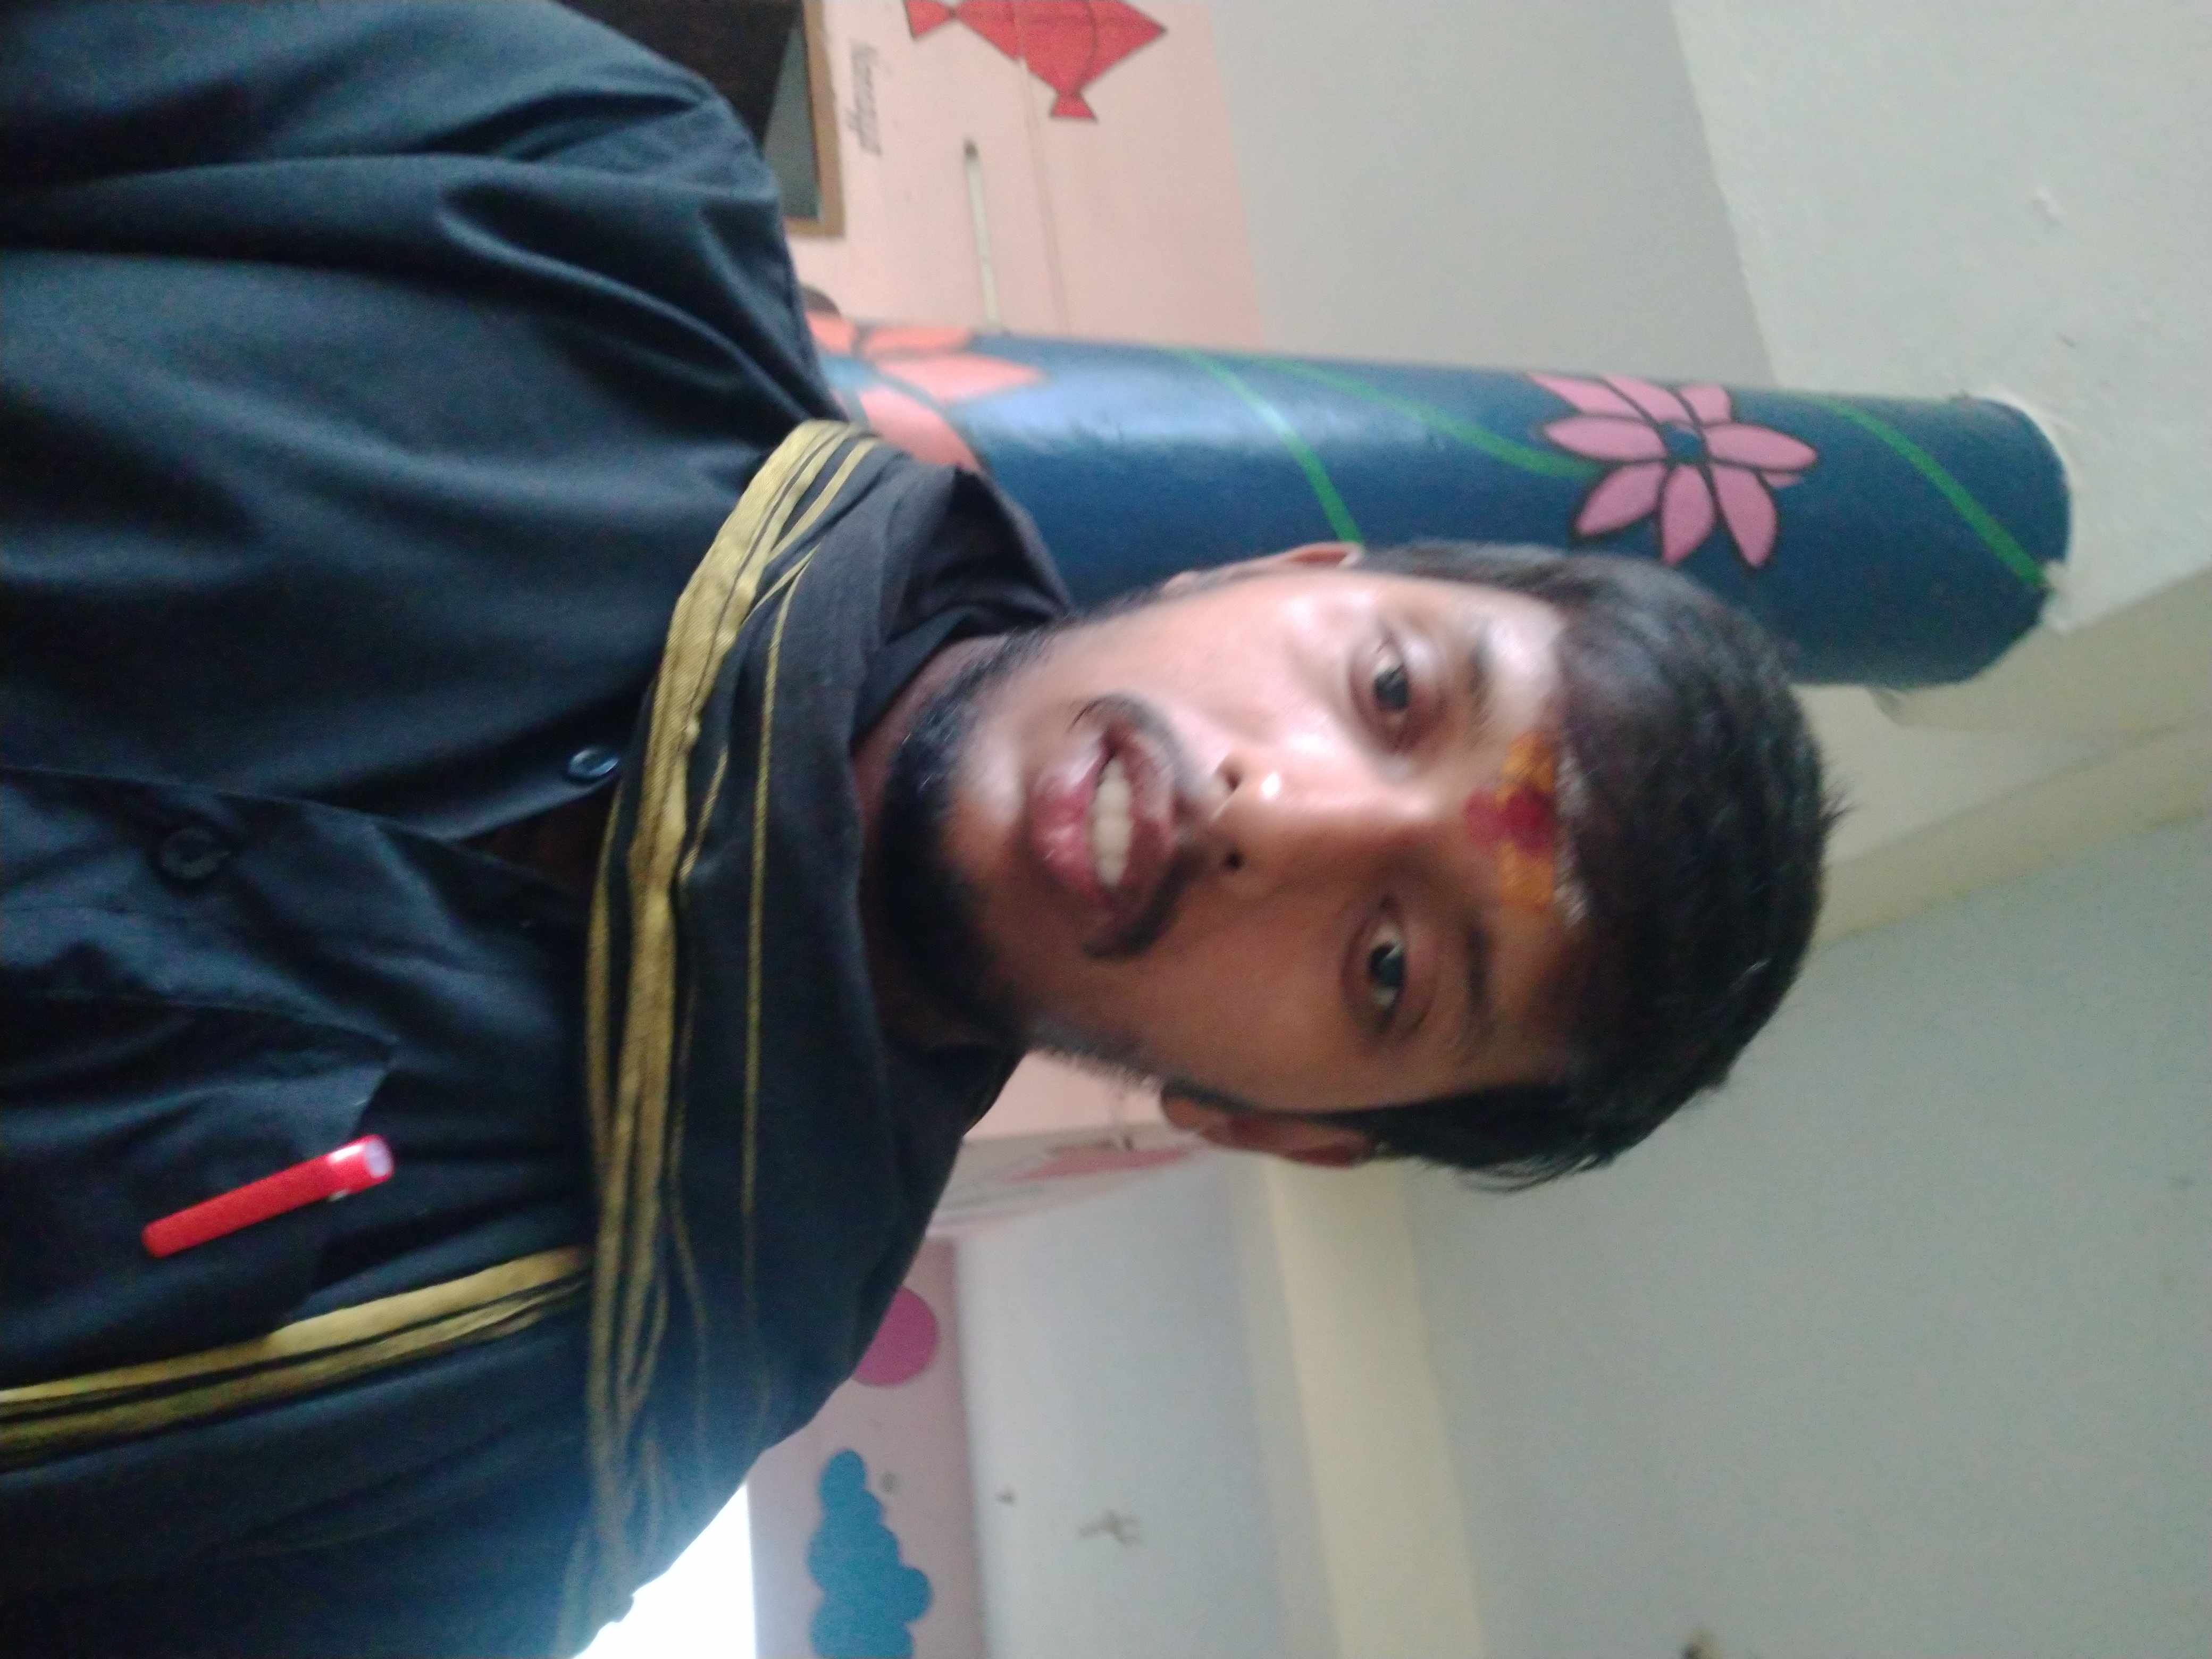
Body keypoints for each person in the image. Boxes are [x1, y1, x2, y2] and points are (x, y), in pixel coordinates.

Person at [0, 3, 1827, 1654]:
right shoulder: (578, 201)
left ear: (1283, 1127)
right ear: (1277, 568)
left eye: (1390, 963)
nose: (1277, 812)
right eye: (1394, 691)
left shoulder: (525, 1486)